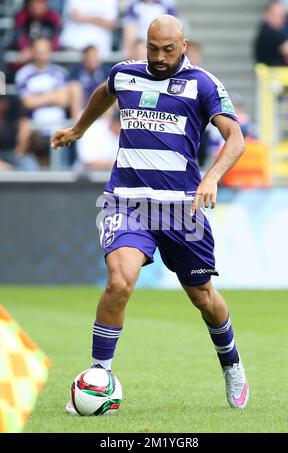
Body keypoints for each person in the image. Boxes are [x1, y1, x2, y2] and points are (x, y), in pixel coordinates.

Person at [51, 15, 249, 412]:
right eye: (152, 48)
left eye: (168, 49)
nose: (159, 57)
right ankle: (99, 377)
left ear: (184, 45)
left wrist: (211, 178)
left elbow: (236, 138)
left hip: (181, 209)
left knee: (204, 297)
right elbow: (105, 93)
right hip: (127, 201)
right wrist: (79, 130)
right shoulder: (125, 73)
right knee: (120, 282)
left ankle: (231, 363)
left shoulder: (203, 84)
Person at [13, 0, 61, 65]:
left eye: (40, 3)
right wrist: (28, 49)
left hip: (47, 56)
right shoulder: (22, 17)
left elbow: (56, 40)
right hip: (26, 57)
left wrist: (43, 51)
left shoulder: (53, 17)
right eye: (34, 3)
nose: (37, 6)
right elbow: (20, 37)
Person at [254, 0, 288, 66]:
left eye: (283, 16)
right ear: (267, 14)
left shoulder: (269, 32)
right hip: (274, 75)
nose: (282, 20)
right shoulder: (269, 33)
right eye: (277, 15)